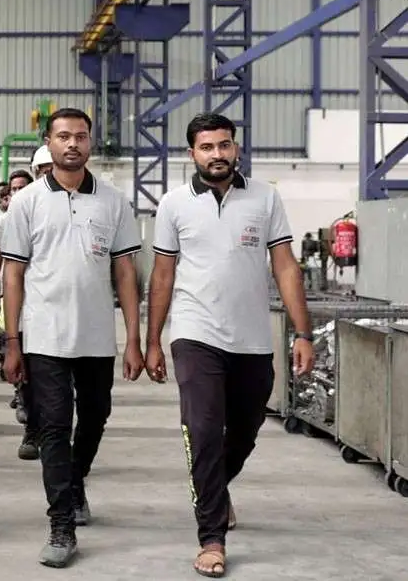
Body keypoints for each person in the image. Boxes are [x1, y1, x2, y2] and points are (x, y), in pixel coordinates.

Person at [145, 113, 315, 578]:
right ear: (192, 154)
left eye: (224, 145)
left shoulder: (265, 197)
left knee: (245, 428)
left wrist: (303, 333)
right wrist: (152, 340)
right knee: (202, 429)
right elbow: (162, 275)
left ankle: (215, 486)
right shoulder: (174, 204)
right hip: (195, 333)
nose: (217, 154)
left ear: (235, 148)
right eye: (207, 147)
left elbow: (284, 267)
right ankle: (211, 536)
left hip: (252, 338)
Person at [0, 107, 144, 569]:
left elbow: (125, 272)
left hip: (98, 335)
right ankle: (61, 523)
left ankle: (75, 481)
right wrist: (12, 340)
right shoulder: (27, 203)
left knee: (97, 415)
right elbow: (15, 274)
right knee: (55, 428)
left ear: (90, 142)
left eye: (80, 136)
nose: (72, 144)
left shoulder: (113, 202)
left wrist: (135, 339)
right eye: (63, 136)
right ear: (49, 141)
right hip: (43, 336)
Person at [0, 168, 40, 459]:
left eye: (24, 186)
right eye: (15, 188)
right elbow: (0, 263)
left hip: (59, 312)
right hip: (18, 305)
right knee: (28, 373)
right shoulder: (6, 221)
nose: (18, 192)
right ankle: (33, 429)